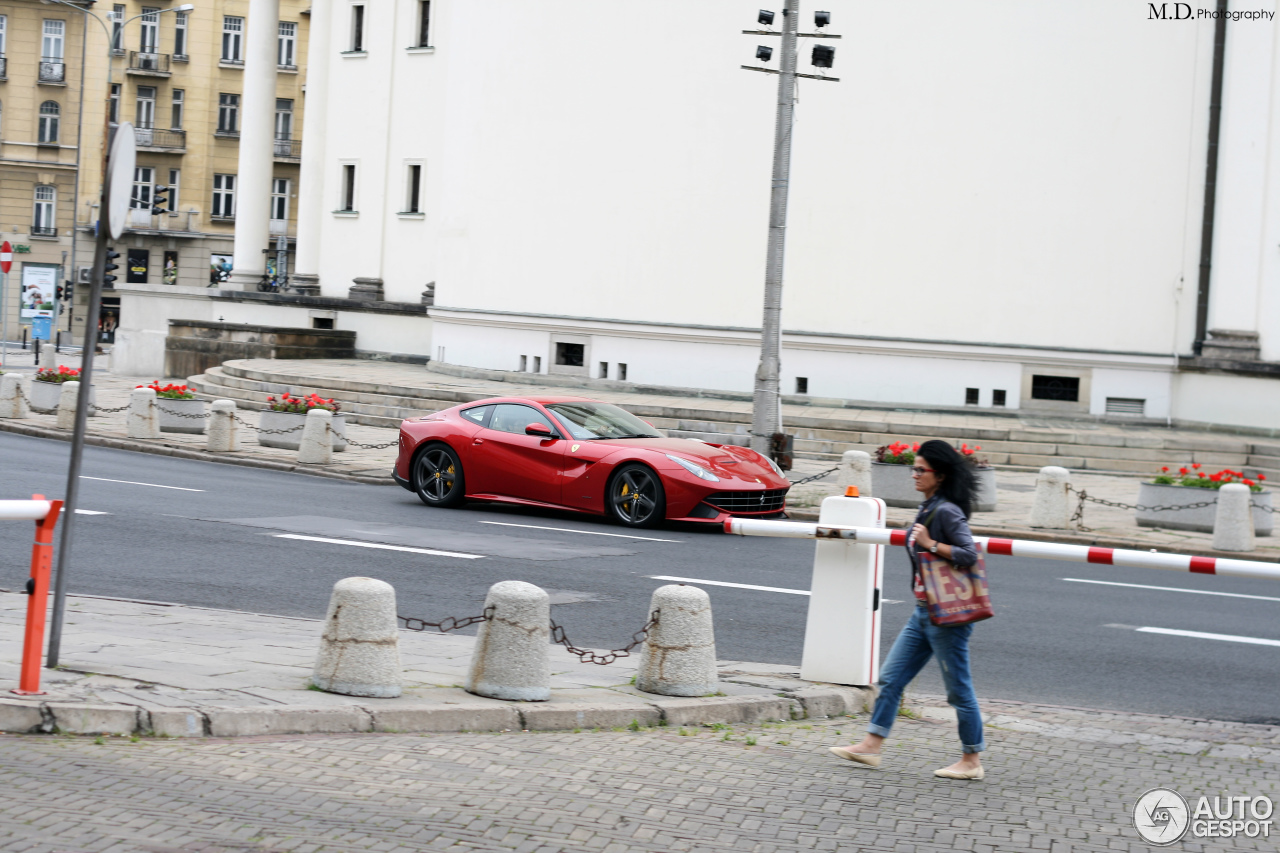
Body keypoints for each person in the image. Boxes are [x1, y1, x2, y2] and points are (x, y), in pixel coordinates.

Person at [828, 439, 987, 780]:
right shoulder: (930, 505)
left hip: (946, 619)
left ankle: (972, 760)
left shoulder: (946, 511)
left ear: (940, 475)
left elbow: (969, 554)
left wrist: (931, 544)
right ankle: (872, 745)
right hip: (923, 613)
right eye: (913, 468)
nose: (914, 474)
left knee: (959, 689)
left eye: (920, 469)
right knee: (891, 677)